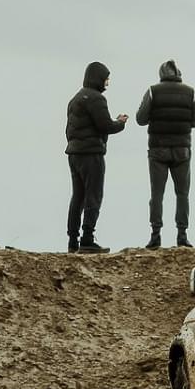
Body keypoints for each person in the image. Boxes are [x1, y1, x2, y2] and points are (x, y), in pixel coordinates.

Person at [135, 60, 195, 248]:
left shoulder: (152, 91)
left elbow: (140, 119)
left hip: (158, 150)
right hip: (182, 151)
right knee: (182, 194)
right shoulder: (190, 92)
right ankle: (182, 235)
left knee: (157, 194)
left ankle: (155, 235)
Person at [66, 61, 128, 253]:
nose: (107, 83)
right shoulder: (96, 99)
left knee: (78, 197)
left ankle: (73, 241)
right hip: (91, 154)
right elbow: (105, 126)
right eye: (106, 79)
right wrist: (120, 122)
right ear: (98, 78)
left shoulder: (75, 98)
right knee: (94, 196)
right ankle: (87, 238)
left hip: (74, 153)